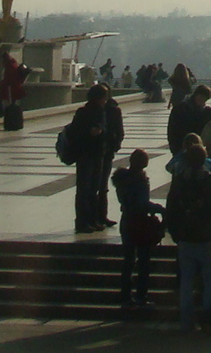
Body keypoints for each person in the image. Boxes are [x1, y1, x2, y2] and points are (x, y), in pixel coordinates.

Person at [166, 135, 211, 334]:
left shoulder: (180, 181)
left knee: (186, 282)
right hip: (208, 238)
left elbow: (171, 209)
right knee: (210, 281)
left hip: (185, 237)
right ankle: (209, 320)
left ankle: (186, 321)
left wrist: (175, 233)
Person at [66, 84, 125, 235]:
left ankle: (93, 220)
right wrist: (90, 133)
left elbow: (109, 130)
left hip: (99, 154)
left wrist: (109, 141)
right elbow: (74, 132)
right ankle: (83, 221)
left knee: (94, 189)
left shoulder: (102, 111)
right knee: (85, 189)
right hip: (87, 154)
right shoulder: (84, 112)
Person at [113, 148, 162, 311]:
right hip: (139, 222)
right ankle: (141, 295)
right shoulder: (140, 181)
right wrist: (159, 208)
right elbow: (142, 204)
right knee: (143, 261)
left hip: (126, 221)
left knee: (128, 261)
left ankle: (125, 296)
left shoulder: (121, 180)